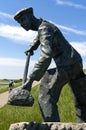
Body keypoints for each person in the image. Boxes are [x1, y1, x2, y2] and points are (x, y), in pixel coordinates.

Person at [14, 7, 86, 122]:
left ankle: (52, 125)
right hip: (75, 62)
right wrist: (32, 47)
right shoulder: (44, 26)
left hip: (67, 65)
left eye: (22, 20)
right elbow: (39, 38)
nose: (21, 25)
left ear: (29, 16)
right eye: (19, 22)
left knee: (45, 96)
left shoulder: (44, 28)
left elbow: (46, 56)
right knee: (81, 98)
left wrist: (30, 80)